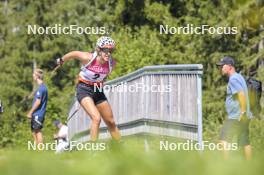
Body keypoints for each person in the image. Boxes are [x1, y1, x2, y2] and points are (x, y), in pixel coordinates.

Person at [57, 36, 121, 142]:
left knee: (110, 122)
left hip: (97, 90)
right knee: (96, 118)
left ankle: (121, 147)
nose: (108, 53)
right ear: (98, 50)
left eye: (111, 50)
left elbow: (103, 77)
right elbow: (74, 53)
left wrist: (100, 83)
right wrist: (62, 60)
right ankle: (93, 150)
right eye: (105, 50)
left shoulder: (111, 64)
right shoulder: (88, 58)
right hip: (84, 89)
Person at [216, 56, 252, 160]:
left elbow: (241, 94)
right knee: (245, 141)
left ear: (229, 66)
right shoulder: (239, 76)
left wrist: (242, 111)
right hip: (245, 116)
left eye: (222, 66)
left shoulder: (233, 79)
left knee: (223, 139)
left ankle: (227, 166)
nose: (220, 68)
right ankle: (250, 166)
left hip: (236, 116)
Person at [27, 69, 48, 145]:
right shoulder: (41, 87)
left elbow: (38, 102)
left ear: (37, 76)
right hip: (35, 114)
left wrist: (30, 112)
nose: (32, 76)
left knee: (37, 131)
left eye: (33, 74)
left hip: (38, 114)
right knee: (34, 131)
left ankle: (40, 150)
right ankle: (36, 150)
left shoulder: (41, 88)